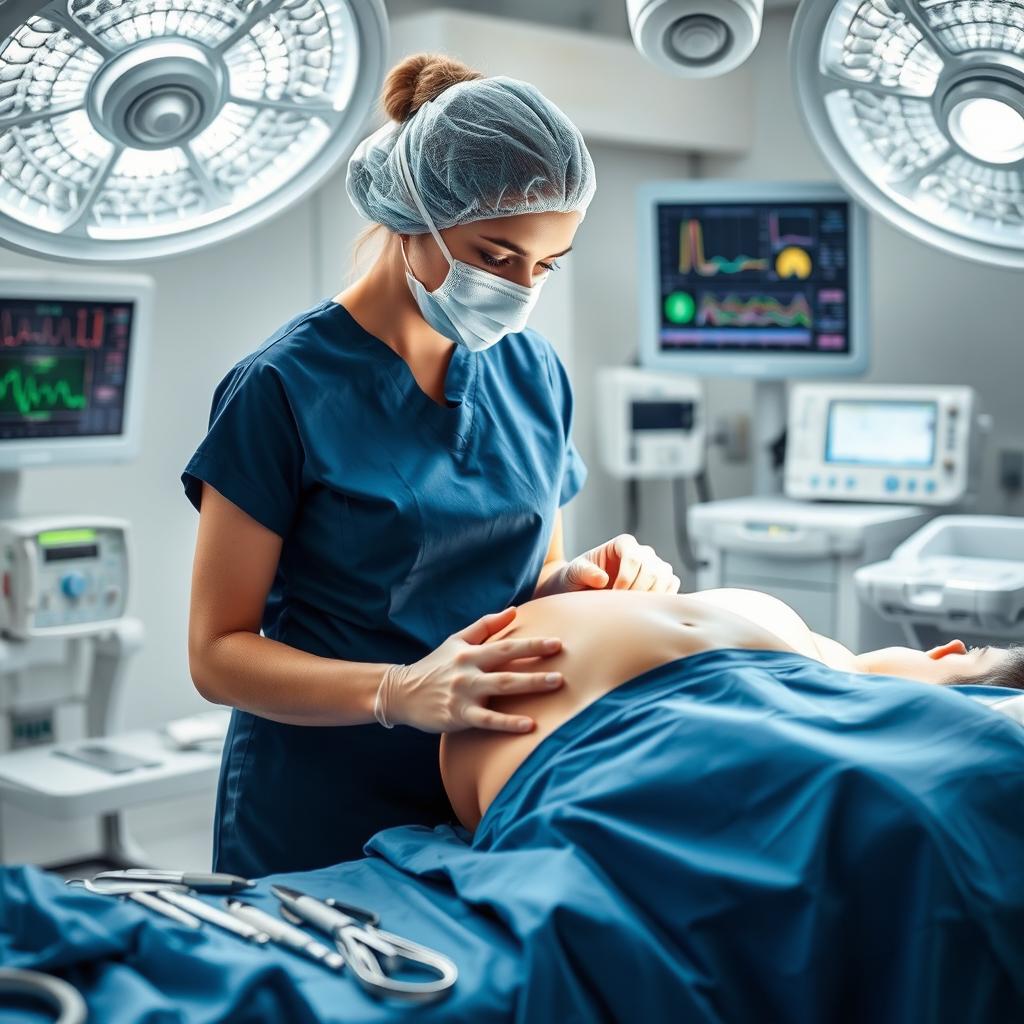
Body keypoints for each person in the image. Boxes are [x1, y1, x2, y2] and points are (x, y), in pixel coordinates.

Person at [181, 53, 680, 877]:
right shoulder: (281, 387)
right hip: (322, 801)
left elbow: (530, 578)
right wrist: (395, 692)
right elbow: (217, 653)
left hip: (490, 785)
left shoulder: (532, 370)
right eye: (497, 255)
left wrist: (581, 581)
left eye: (545, 265)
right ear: (414, 212)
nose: (522, 289)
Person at [440, 587, 1022, 829]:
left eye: (971, 657)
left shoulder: (836, 715)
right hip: (495, 726)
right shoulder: (824, 684)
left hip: (570, 749)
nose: (949, 645)